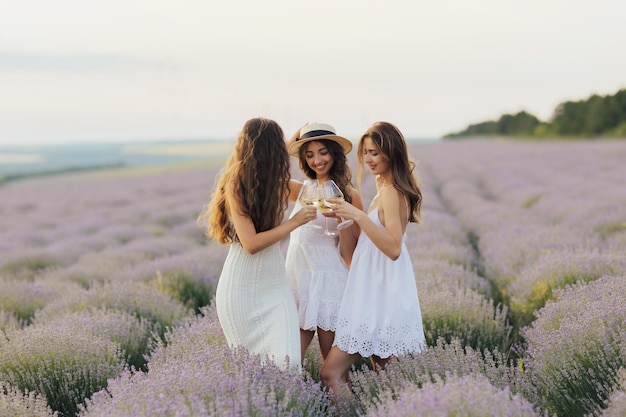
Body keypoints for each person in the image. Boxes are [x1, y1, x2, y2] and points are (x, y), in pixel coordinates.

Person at [197, 117, 318, 371]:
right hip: (240, 290)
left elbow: (309, 193)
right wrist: (294, 222)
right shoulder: (236, 186)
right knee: (254, 372)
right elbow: (251, 243)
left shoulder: (274, 182)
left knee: (290, 364)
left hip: (274, 288)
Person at [319, 121, 426, 395]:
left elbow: (393, 248)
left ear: (392, 153)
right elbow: (367, 244)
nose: (368, 159)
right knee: (388, 379)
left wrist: (357, 214)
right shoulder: (382, 184)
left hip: (380, 296)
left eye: (375, 153)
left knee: (331, 372)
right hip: (373, 289)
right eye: (366, 152)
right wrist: (347, 218)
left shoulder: (391, 192)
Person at [285, 122, 364, 364]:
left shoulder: (350, 195)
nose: (316, 160)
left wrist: (343, 219)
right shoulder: (301, 190)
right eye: (309, 155)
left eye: (323, 152)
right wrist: (295, 139)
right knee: (288, 360)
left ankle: (340, 403)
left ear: (334, 153)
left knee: (331, 367)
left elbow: (351, 254)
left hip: (328, 280)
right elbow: (271, 172)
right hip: (299, 280)